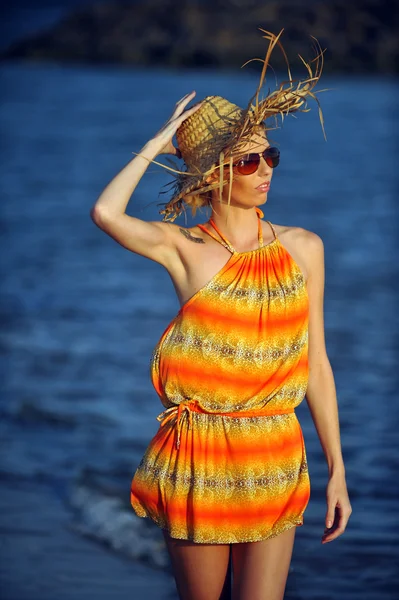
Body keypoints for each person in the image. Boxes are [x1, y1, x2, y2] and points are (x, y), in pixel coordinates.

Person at [91, 29, 352, 600]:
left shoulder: (304, 247)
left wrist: (337, 469)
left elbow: (318, 366)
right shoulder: (184, 249)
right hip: (201, 457)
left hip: (276, 450)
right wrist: (158, 141)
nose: (266, 170)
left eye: (270, 156)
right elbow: (106, 212)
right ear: (214, 175)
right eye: (250, 159)